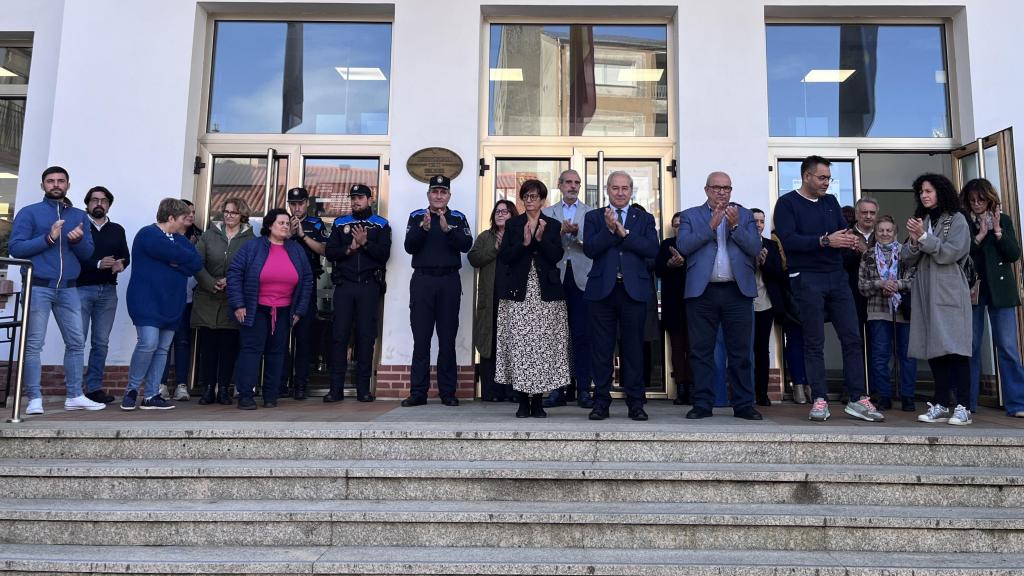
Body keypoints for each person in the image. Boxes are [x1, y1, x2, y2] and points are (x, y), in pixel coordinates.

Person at [773, 155, 884, 422]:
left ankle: (858, 398)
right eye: (822, 178)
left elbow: (840, 232)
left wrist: (851, 240)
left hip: (837, 277)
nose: (826, 183)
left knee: (852, 338)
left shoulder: (831, 202)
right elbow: (788, 240)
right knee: (814, 341)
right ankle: (820, 399)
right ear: (807, 176)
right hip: (807, 278)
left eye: (829, 178)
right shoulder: (787, 203)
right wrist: (824, 241)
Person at [10, 166, 104, 414]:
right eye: (50, 181)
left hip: (69, 289)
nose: (55, 185)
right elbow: (16, 249)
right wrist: (48, 238)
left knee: (75, 343)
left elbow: (88, 255)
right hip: (38, 286)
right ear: (43, 186)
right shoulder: (29, 213)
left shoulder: (79, 216)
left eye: (60, 181)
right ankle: (34, 399)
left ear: (68, 185)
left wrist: (77, 241)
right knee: (33, 345)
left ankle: (74, 395)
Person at [678, 172, 762, 421]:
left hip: (737, 291)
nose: (722, 192)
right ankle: (703, 403)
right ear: (706, 190)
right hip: (702, 292)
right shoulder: (691, 215)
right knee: (701, 351)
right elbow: (684, 246)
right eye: (717, 187)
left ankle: (744, 404)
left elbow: (755, 248)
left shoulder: (744, 215)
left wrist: (735, 226)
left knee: (741, 351)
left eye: (726, 188)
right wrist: (710, 227)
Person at [582, 170, 659, 421]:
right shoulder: (594, 217)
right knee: (601, 350)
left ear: (631, 190)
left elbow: (652, 250)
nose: (620, 192)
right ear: (607, 190)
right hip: (602, 292)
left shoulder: (643, 218)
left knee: (633, 349)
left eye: (625, 188)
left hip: (633, 292)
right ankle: (601, 402)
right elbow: (591, 249)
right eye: (615, 188)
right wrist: (608, 229)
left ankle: (636, 402)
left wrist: (624, 234)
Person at [494, 179, 571, 418]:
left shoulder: (553, 224)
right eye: (526, 196)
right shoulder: (514, 224)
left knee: (541, 348)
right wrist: (525, 243)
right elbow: (505, 256)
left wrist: (539, 240)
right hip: (519, 293)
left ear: (542, 200)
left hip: (545, 293)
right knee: (520, 347)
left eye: (534, 196)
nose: (530, 201)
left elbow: (556, 255)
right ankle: (521, 402)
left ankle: (538, 401)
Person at [903, 174, 973, 426]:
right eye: (921, 191)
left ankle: (964, 406)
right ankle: (941, 403)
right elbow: (906, 257)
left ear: (941, 192)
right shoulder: (923, 220)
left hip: (949, 289)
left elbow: (951, 252)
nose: (924, 195)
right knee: (934, 349)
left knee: (955, 348)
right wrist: (914, 240)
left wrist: (923, 238)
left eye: (929, 191)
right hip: (925, 292)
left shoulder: (957, 220)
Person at [227, 209, 313, 409]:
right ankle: (246, 396)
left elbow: (307, 279)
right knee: (251, 351)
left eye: (286, 223)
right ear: (269, 225)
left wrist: (299, 310)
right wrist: (239, 304)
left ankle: (271, 395)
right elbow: (234, 273)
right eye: (281, 222)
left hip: (284, 311)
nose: (285, 226)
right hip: (256, 309)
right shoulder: (253, 247)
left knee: (277, 353)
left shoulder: (295, 249)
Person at [121, 198, 202, 411]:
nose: (186, 222)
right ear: (171, 217)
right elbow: (171, 253)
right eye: (183, 218)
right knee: (148, 343)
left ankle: (151, 394)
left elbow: (195, 263)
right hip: (146, 300)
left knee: (162, 348)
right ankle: (131, 390)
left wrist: (178, 262)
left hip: (172, 302)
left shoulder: (179, 238)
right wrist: (177, 261)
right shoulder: (147, 234)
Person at [402, 175, 473, 407]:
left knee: (447, 339)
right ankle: (418, 393)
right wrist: (423, 229)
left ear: (449, 195)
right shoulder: (416, 216)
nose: (439, 195)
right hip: (423, 282)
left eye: (443, 192)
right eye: (435, 191)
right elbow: (409, 246)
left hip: (449, 282)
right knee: (421, 340)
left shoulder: (458, 218)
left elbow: (466, 245)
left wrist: (447, 230)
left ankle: (447, 393)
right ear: (428, 194)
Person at [961, 178, 1024, 417]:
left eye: (981, 199)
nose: (977, 204)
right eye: (972, 200)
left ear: (990, 199)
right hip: (974, 290)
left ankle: (1017, 403)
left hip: (1001, 291)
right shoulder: (965, 222)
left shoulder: (1004, 220)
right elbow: (962, 254)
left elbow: (1013, 254)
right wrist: (980, 234)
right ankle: (968, 403)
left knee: (1008, 347)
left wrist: (997, 232)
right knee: (972, 346)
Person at [323, 184, 391, 403]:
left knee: (365, 337)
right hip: (345, 286)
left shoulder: (381, 224)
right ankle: (336, 389)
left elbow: (384, 254)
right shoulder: (340, 223)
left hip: (369, 286)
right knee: (339, 337)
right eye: (353, 198)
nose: (356, 201)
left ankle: (363, 388)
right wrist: (350, 249)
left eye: (360, 197)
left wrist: (365, 243)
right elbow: (330, 251)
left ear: (370, 200)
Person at [191, 198, 255, 405]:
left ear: (242, 216)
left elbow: (252, 268)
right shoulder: (209, 235)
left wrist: (232, 281)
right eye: (226, 212)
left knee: (229, 348)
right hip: (208, 298)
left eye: (233, 213)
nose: (228, 216)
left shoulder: (250, 240)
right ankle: (208, 389)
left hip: (233, 300)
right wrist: (211, 282)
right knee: (208, 347)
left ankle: (224, 389)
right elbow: (196, 263)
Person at [541, 169, 594, 409]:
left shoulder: (591, 214)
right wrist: (559, 232)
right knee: (555, 336)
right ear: (560, 185)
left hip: (582, 278)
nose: (573, 186)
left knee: (582, 335)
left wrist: (578, 235)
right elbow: (542, 245)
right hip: (556, 278)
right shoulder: (547, 212)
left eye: (577, 183)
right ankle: (557, 389)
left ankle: (583, 389)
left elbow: (595, 245)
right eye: (569, 182)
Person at [76, 185, 130, 405]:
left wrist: (121, 264)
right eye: (95, 200)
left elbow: (126, 256)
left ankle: (94, 388)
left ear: (109, 204)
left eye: (104, 200)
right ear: (87, 203)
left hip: (108, 291)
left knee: (101, 342)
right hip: (80, 289)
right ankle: (75, 389)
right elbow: (72, 257)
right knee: (76, 341)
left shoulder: (117, 229)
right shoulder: (78, 227)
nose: (99, 204)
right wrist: (97, 264)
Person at [858, 216, 916, 412]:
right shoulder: (867, 255)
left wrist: (896, 284)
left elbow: (915, 281)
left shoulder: (906, 253)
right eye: (881, 230)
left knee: (907, 356)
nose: (884, 234)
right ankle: (884, 396)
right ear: (876, 233)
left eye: (888, 230)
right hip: (877, 311)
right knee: (880, 356)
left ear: (895, 233)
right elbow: (862, 286)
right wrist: (879, 284)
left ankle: (908, 397)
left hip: (903, 311)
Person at [468, 199, 517, 402]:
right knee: (490, 343)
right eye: (497, 211)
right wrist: (494, 248)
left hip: (513, 299)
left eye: (505, 211)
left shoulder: (518, 236)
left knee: (512, 343)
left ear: (513, 215)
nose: (500, 214)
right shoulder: (485, 237)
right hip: (490, 299)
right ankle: (491, 392)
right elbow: (473, 259)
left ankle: (513, 392)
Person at [281, 187, 327, 400]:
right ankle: (281, 382)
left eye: (300, 203)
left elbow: (324, 250)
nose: (296, 207)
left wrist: (302, 236)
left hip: (306, 286)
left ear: (307, 203)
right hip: (282, 285)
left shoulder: (316, 224)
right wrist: (287, 235)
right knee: (280, 336)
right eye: (293, 203)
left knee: (303, 338)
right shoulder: (281, 222)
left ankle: (300, 383)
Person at [161, 199, 202, 402]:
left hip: (188, 297)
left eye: (193, 212)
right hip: (166, 297)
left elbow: (199, 265)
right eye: (186, 212)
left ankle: (181, 385)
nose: (190, 215)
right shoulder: (164, 236)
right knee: (164, 343)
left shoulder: (199, 237)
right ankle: (160, 384)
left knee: (183, 341)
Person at [655, 211, 693, 405]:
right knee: (677, 348)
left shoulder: (694, 244)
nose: (679, 228)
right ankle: (681, 388)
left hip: (694, 304)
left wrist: (684, 262)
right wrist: (670, 263)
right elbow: (658, 269)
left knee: (694, 348)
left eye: (682, 225)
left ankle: (694, 388)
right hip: (673, 304)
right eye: (676, 225)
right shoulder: (666, 245)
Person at [751, 208, 781, 407]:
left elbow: (778, 273)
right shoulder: (738, 243)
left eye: (762, 221)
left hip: (765, 301)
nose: (759, 224)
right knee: (742, 349)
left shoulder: (771, 245)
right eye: (755, 221)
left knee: (762, 348)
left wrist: (763, 264)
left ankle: (762, 393)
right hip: (743, 302)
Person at [843, 198, 878, 329]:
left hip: (878, 297)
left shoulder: (885, 233)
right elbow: (841, 263)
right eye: (864, 212)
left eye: (872, 213)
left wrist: (865, 252)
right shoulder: (846, 234)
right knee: (855, 341)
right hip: (852, 295)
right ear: (857, 215)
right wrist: (854, 251)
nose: (868, 216)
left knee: (877, 343)